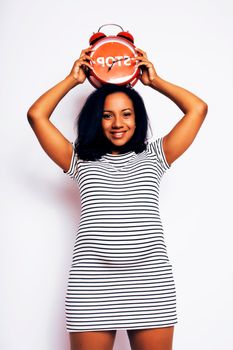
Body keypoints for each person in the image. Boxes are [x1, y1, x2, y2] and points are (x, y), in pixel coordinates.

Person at [27, 46, 208, 350]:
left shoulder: (155, 156)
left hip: (150, 283)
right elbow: (36, 115)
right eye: (107, 115)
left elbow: (198, 109)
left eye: (127, 114)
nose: (117, 123)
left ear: (138, 119)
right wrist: (73, 79)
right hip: (92, 285)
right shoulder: (78, 159)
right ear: (95, 120)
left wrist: (154, 81)